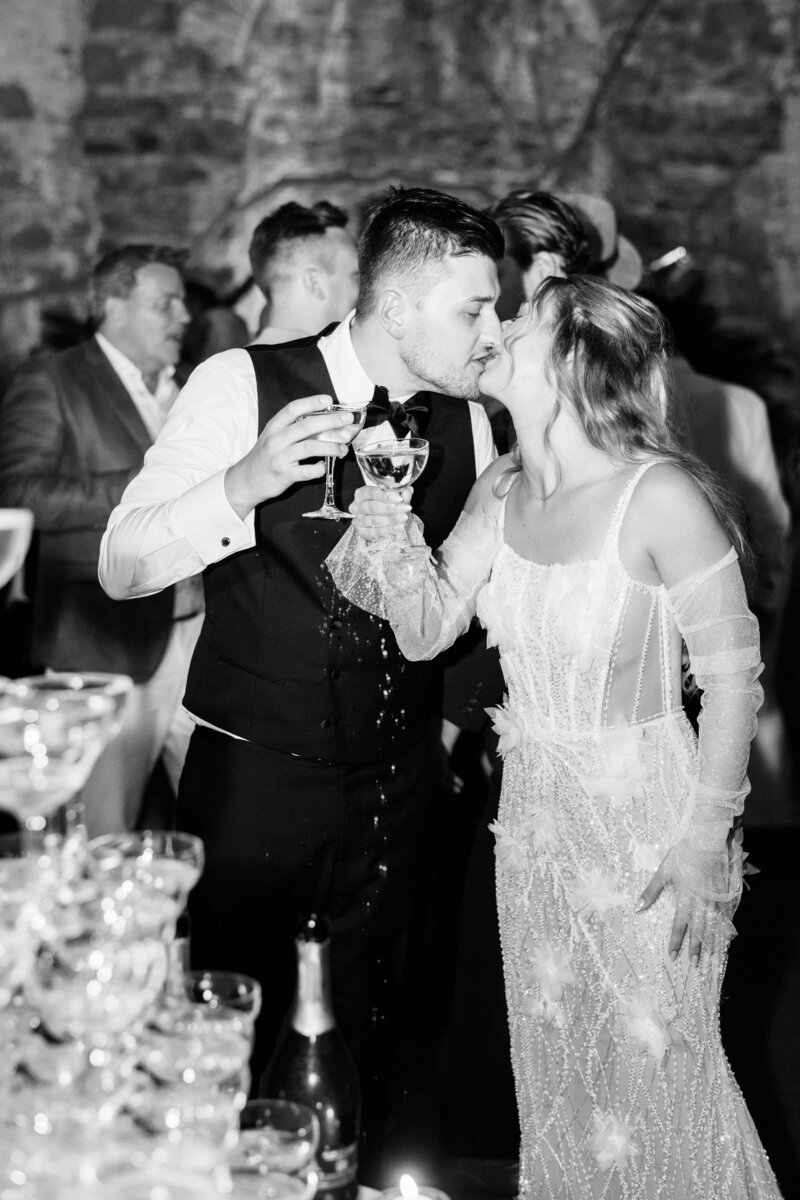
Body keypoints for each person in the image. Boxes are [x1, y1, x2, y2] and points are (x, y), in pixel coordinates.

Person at [331, 274, 782, 1197]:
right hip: (531, 827)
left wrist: (703, 844)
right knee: (557, 1076)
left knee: (658, 1077)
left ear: (574, 358)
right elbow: (426, 628)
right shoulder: (504, 485)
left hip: (649, 836)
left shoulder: (659, 498)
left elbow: (735, 684)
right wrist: (386, 531)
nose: (492, 329)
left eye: (521, 318)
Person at [98, 186, 503, 1149]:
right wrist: (242, 484)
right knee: (237, 1027)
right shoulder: (240, 381)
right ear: (399, 306)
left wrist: (446, 727)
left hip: (399, 789)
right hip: (254, 782)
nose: (492, 331)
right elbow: (122, 563)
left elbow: (473, 605)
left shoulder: (476, 424)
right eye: (475, 307)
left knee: (373, 1030)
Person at [0, 243, 201, 835]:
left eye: (183, 303)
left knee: (219, 825)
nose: (183, 317)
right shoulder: (55, 379)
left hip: (201, 635)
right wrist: (147, 483)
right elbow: (16, 491)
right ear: (113, 306)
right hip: (101, 644)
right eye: (166, 303)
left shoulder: (191, 385)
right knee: (101, 835)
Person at [248, 200, 360, 342]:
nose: (367, 289)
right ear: (314, 282)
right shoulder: (232, 364)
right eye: (357, 277)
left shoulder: (235, 363)